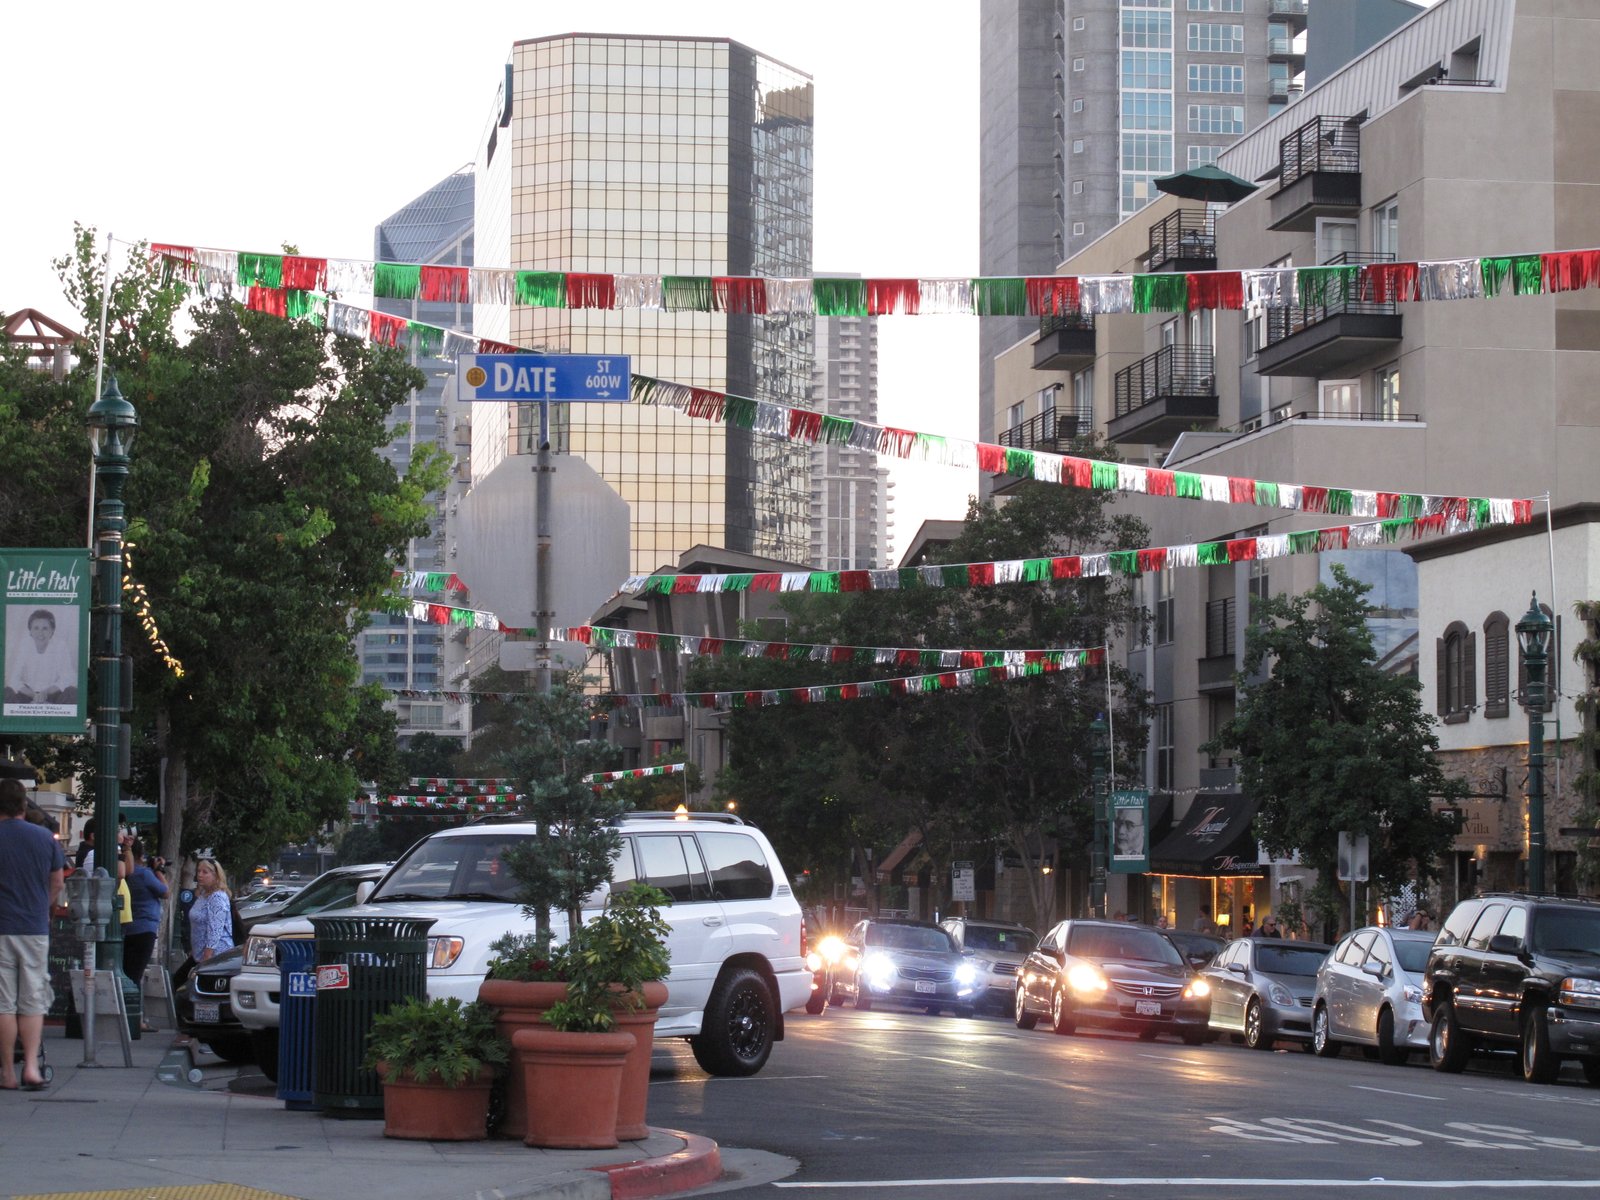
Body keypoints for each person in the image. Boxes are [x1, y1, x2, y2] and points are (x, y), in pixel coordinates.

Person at [0, 778, 65, 1091]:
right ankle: (30, 1067)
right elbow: (57, 883)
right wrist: (43, 907)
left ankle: (7, 1074)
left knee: (3, 1003)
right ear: (23, 806)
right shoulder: (44, 839)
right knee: (32, 1000)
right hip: (34, 929)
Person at [121, 837, 168, 1030]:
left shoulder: (125, 875)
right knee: (136, 974)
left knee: (128, 970)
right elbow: (165, 892)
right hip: (145, 928)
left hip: (127, 928)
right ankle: (136, 1018)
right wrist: (159, 870)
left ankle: (128, 1014)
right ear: (141, 856)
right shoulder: (144, 874)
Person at [172, 858, 233, 993]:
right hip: (198, 954)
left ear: (216, 875)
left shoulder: (217, 897)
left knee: (184, 984)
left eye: (205, 872)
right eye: (199, 871)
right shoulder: (204, 895)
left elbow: (215, 930)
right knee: (178, 983)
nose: (200, 875)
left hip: (215, 955)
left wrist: (206, 959)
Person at [4, 609, 77, 706]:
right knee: (6, 692)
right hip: (28, 693)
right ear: (30, 631)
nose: (40, 633)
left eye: (45, 628)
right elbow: (14, 679)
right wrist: (33, 695)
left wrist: (46, 692)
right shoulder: (24, 645)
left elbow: (67, 677)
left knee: (73, 693)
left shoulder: (60, 646)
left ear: (52, 631)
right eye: (36, 628)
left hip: (52, 692)